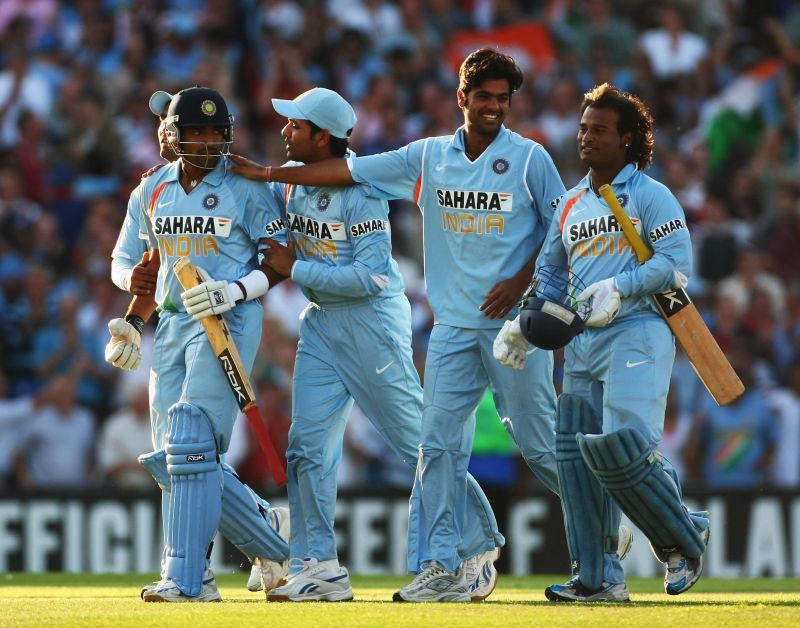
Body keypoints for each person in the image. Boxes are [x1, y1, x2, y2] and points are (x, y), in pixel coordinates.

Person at [229, 49, 566, 601]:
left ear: (324, 137)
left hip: (371, 325)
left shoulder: (362, 193)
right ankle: (317, 564)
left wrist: (296, 268)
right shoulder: (292, 182)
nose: (285, 129)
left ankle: (478, 542)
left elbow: (370, 279)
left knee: (419, 442)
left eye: (296, 124)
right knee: (306, 447)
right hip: (321, 324)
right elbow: (247, 193)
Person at [495, 82, 710, 601]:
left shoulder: (650, 195)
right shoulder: (569, 203)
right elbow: (550, 274)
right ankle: (598, 577)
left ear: (627, 139)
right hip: (583, 342)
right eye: (584, 128)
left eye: (600, 130)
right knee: (575, 457)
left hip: (637, 331)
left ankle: (684, 534)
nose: (587, 137)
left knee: (622, 451)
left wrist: (622, 284)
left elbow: (678, 266)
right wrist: (525, 323)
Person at [106, 88, 291, 598]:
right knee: (174, 456)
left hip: (229, 319)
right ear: (173, 136)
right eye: (197, 133)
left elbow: (278, 260)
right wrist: (133, 311)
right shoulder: (151, 190)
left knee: (190, 440)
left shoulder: (247, 186)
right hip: (172, 323)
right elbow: (127, 262)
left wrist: (233, 290)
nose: (209, 142)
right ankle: (266, 533)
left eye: (216, 132)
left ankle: (188, 578)